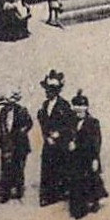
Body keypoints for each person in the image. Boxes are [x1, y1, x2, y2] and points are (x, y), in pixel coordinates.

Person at [66, 91, 108, 219]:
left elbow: (96, 142)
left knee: (90, 179)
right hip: (75, 158)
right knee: (77, 181)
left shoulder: (93, 122)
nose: (78, 109)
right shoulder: (71, 121)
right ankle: (78, 208)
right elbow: (66, 135)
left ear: (86, 107)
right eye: (76, 106)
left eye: (81, 106)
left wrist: (95, 158)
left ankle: (91, 203)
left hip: (88, 157)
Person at [36, 70, 75, 207]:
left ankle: (61, 192)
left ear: (57, 91)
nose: (48, 92)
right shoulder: (45, 105)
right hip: (49, 141)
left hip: (61, 142)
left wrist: (59, 133)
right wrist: (47, 135)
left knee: (61, 166)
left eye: (52, 89)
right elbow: (43, 122)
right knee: (47, 166)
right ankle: (47, 195)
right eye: (47, 89)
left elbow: (70, 123)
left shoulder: (64, 105)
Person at [0, 88, 33, 204]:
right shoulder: (2, 113)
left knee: (18, 167)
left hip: (20, 144)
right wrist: (4, 141)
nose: (6, 106)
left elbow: (29, 123)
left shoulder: (22, 111)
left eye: (8, 104)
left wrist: (22, 131)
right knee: (5, 168)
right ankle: (5, 193)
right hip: (7, 144)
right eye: (5, 104)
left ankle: (18, 191)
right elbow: (2, 128)